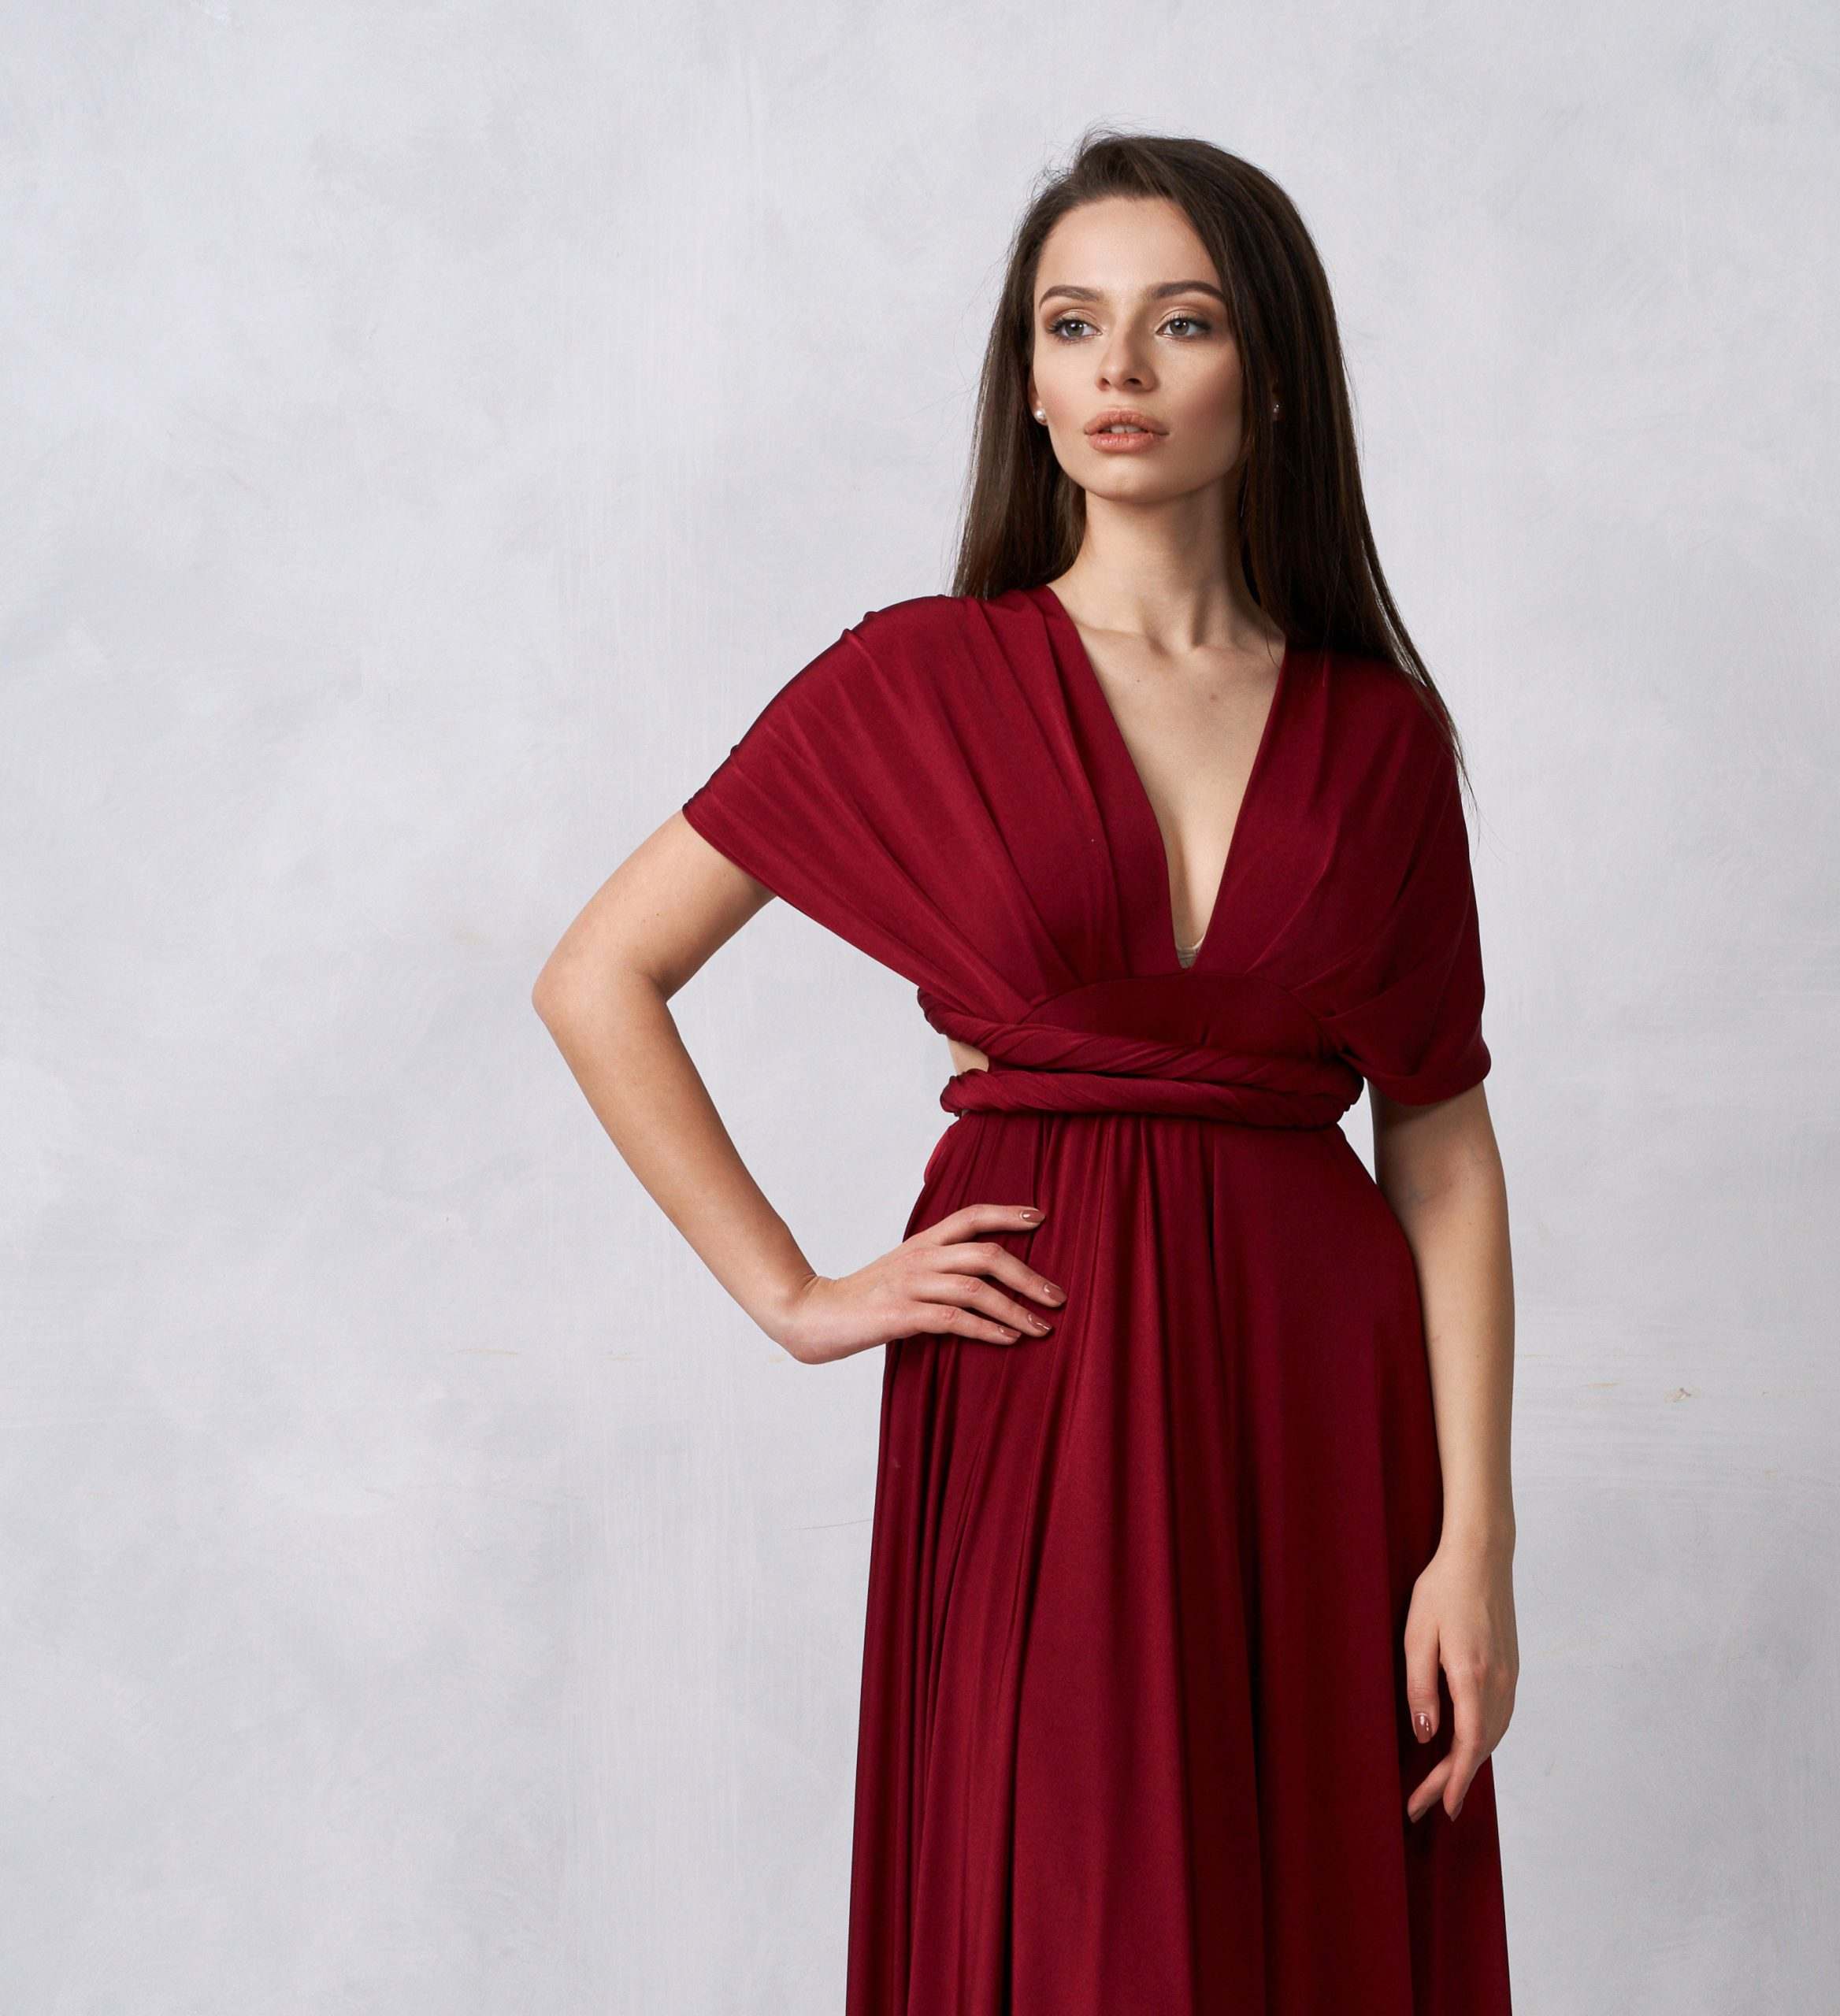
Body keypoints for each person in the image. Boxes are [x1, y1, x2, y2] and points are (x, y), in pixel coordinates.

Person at [535, 129, 1519, 2014]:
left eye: (1180, 323)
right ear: (1029, 377)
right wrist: (797, 1292)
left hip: (1322, 1394)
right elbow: (602, 973)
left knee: (1304, 1901)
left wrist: (1472, 1541)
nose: (1119, 371)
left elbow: (1444, 1148)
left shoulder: (1379, 736)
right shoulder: (916, 678)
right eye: (1073, 326)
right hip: (1040, 1366)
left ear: (1275, 374)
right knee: (1067, 1907)